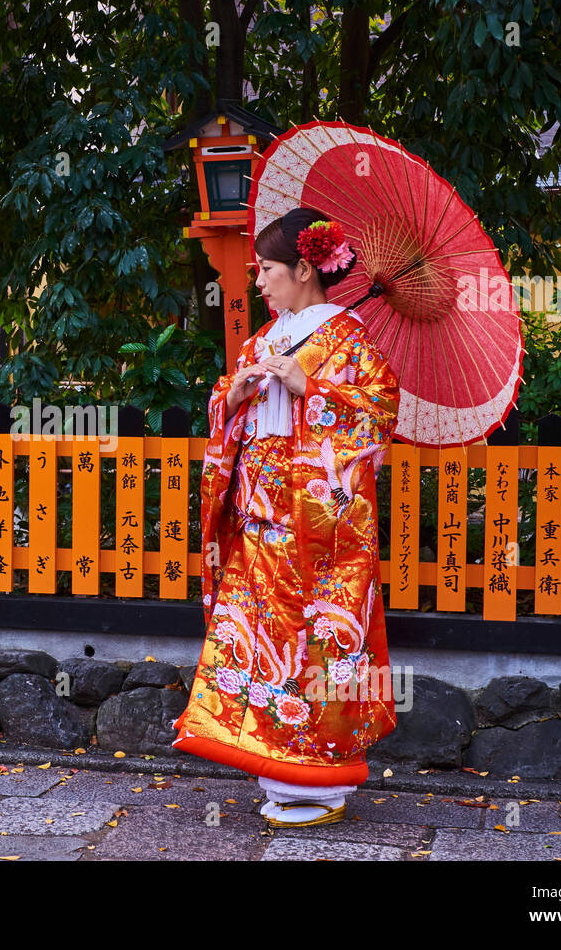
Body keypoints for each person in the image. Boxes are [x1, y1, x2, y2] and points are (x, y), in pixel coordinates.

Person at [172, 207, 401, 827]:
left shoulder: (350, 338)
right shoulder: (263, 339)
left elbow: (380, 415)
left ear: (304, 268)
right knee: (257, 647)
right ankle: (274, 764)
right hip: (258, 522)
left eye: (267, 268)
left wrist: (312, 388)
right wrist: (236, 395)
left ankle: (323, 780)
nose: (260, 280)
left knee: (321, 648)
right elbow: (226, 412)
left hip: (321, 534)